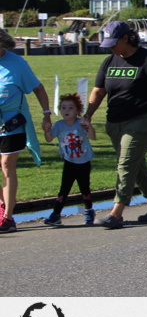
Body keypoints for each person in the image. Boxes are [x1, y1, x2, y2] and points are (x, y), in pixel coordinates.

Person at [84, 21, 147, 229]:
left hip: (143, 119)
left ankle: (116, 213)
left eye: (113, 43)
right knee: (136, 163)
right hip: (115, 122)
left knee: (125, 164)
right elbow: (99, 91)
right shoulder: (109, 61)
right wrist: (88, 115)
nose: (110, 48)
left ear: (126, 38)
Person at [0, 28, 51, 234]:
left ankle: (8, 217)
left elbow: (38, 88)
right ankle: (1, 206)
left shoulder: (17, 64)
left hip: (12, 123)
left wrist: (46, 114)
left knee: (6, 164)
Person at [43, 93, 96, 226]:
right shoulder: (59, 125)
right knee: (64, 189)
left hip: (84, 162)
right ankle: (56, 214)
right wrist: (47, 130)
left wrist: (89, 127)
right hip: (69, 161)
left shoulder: (80, 123)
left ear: (78, 111)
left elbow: (92, 136)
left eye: (71, 108)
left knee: (84, 188)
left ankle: (89, 210)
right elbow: (49, 139)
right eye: (63, 107)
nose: (67, 110)